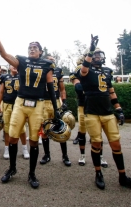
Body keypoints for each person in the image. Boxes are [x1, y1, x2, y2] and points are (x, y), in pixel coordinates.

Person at [0, 22, 59, 188]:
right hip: (20, 103)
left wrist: (56, 109)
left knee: (34, 140)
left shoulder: (46, 65)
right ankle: (12, 168)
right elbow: (4, 54)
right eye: (30, 47)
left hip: (38, 104)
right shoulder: (22, 61)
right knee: (12, 136)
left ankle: (32, 173)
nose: (32, 48)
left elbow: (50, 88)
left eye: (35, 47)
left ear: (41, 51)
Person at [77, 34, 131, 189]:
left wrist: (119, 109)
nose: (98, 56)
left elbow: (112, 92)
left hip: (108, 113)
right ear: (90, 57)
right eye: (95, 54)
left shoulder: (108, 71)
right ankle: (98, 173)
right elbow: (84, 70)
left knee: (116, 144)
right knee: (96, 143)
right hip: (92, 112)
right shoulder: (85, 70)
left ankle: (122, 175)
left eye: (100, 54)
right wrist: (91, 49)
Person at [39, 56, 71, 167]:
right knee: (44, 130)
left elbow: (62, 88)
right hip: (43, 102)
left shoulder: (58, 71)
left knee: (61, 128)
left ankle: (65, 155)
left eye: (53, 59)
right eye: (49, 59)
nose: (51, 60)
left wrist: (64, 101)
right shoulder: (40, 69)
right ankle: (47, 154)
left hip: (56, 102)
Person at [0, 65, 29, 159]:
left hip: (19, 106)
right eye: (12, 65)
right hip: (7, 105)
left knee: (22, 128)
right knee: (6, 128)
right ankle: (6, 148)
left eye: (16, 65)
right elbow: (1, 92)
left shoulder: (22, 75)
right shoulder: (4, 77)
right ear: (9, 67)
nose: (14, 67)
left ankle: (24, 148)